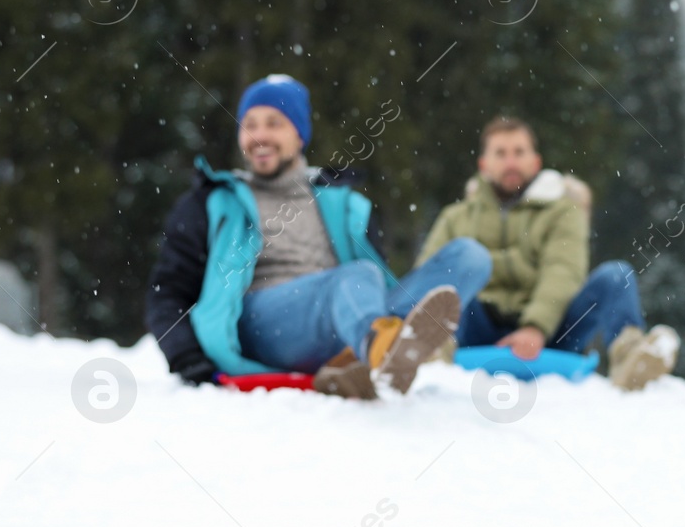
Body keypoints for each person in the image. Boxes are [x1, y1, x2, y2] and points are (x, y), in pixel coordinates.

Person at [145, 75, 492, 399]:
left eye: (273, 123)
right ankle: (381, 346)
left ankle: (370, 348)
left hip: (346, 316)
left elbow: (375, 282)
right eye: (249, 125)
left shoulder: (345, 204)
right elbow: (169, 289)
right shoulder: (214, 200)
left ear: (299, 134)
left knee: (469, 256)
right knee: (357, 275)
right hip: (263, 325)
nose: (258, 136)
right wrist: (186, 357)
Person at [417, 116, 679, 390]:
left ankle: (631, 360)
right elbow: (429, 275)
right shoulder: (455, 218)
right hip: (476, 328)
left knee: (616, 275)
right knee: (446, 279)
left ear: (535, 162)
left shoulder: (564, 210)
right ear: (484, 165)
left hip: (553, 332)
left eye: (519, 152)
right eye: (500, 153)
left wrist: (535, 327)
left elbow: (563, 270)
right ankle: (432, 353)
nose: (510, 162)